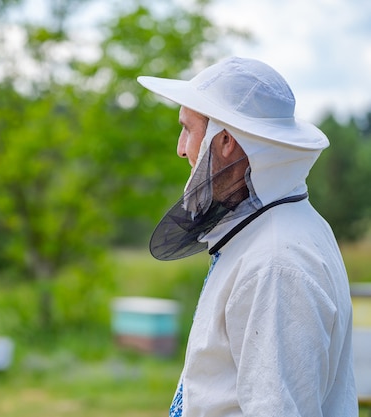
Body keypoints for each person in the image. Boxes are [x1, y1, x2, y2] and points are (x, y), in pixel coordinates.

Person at [136, 57, 358, 416]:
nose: (181, 148)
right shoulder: (275, 233)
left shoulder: (276, 262)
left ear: (223, 140)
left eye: (188, 130)